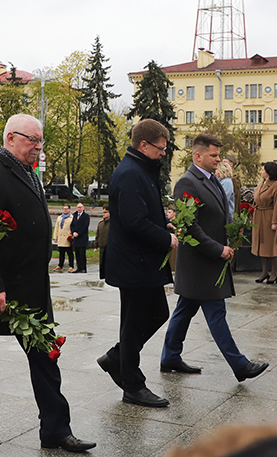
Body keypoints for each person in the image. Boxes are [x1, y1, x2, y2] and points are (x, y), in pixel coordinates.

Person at [0, 114, 95, 453]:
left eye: (41, 141)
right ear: (10, 138)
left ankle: (55, 429)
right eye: (32, 140)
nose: (38, 146)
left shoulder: (29, 172)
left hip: (32, 292)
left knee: (46, 362)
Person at [161, 133, 269, 383]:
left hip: (208, 262)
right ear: (197, 156)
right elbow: (190, 226)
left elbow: (220, 213)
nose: (218, 159)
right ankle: (239, 364)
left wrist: (233, 229)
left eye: (219, 155)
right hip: (201, 262)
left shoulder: (213, 180)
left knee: (184, 311)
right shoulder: (187, 182)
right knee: (216, 312)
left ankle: (169, 357)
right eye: (213, 155)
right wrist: (218, 249)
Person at [98, 119, 178, 408]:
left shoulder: (139, 169)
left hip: (142, 262)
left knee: (156, 313)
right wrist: (165, 239)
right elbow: (134, 222)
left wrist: (163, 225)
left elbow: (141, 213)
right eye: (160, 147)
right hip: (135, 263)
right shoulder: (131, 173)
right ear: (143, 145)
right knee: (133, 325)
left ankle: (116, 358)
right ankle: (132, 385)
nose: (163, 153)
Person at [252, 162, 277, 284]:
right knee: (261, 246)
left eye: (262, 170)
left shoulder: (276, 186)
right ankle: (264, 272)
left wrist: (275, 221)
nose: (261, 172)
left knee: (270, 247)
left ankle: (274, 273)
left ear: (269, 172)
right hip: (259, 216)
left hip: (269, 217)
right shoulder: (261, 184)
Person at [69, 203, 90, 273]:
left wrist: (79, 233)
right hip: (76, 238)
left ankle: (83, 268)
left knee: (82, 254)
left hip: (82, 238)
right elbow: (71, 225)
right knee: (77, 254)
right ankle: (78, 267)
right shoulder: (74, 215)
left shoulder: (86, 216)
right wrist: (73, 232)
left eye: (80, 207)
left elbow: (85, 226)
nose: (79, 209)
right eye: (78, 207)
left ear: (83, 208)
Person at [52, 205, 74, 272]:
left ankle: (71, 266)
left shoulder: (72, 218)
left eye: (66, 209)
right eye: (64, 209)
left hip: (67, 237)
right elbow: (56, 228)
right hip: (61, 238)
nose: (65, 210)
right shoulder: (60, 217)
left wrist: (72, 236)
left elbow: (73, 227)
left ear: (69, 209)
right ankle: (60, 265)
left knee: (69, 253)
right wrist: (55, 237)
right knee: (61, 253)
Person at [96, 207, 110, 280]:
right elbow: (97, 235)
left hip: (109, 246)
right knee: (101, 262)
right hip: (101, 245)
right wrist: (96, 245)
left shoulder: (112, 224)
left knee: (109, 262)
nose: (103, 214)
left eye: (105, 213)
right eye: (103, 213)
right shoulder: (100, 223)